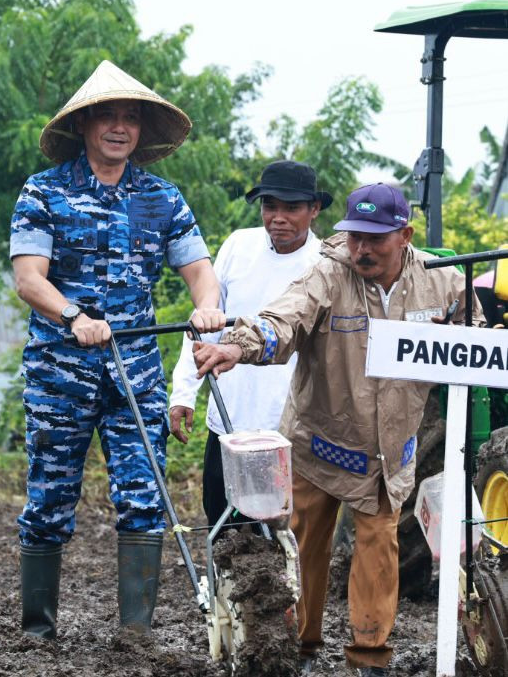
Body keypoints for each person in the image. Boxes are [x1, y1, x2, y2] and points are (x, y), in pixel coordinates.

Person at [192, 183, 478, 677]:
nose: (362, 249)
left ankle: (370, 657)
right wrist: (239, 345)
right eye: (354, 237)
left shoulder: (442, 281)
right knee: (305, 546)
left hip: (392, 448)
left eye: (375, 239)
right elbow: (285, 316)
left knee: (378, 547)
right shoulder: (329, 273)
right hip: (319, 442)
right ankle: (300, 648)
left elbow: (473, 330)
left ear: (404, 235)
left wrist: (485, 338)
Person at [9, 59, 224, 639]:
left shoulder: (161, 198)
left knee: (144, 495)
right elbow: (30, 278)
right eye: (108, 116)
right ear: (83, 125)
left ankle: (136, 634)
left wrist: (206, 305)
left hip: (137, 375)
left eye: (130, 118)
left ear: (141, 131)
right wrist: (74, 315)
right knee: (50, 499)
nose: (119, 127)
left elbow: (201, 271)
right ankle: (37, 631)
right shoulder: (44, 191)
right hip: (61, 372)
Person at [169, 160, 325, 531]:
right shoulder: (239, 245)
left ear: (314, 210)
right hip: (229, 419)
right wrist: (183, 393)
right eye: (270, 206)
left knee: (285, 529)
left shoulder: (324, 264)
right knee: (223, 523)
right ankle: (225, 590)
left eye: (292, 208)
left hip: (289, 427)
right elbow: (205, 322)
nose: (279, 218)